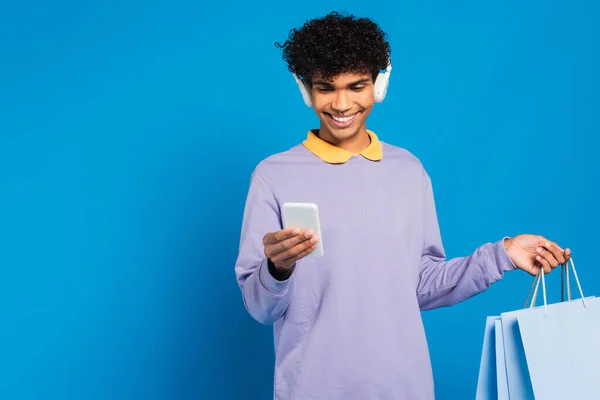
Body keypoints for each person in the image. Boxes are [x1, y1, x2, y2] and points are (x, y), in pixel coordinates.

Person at [233, 11, 571, 400]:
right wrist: (277, 268)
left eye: (356, 86)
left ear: (378, 85)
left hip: (405, 388)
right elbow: (260, 309)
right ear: (306, 90)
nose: (341, 104)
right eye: (326, 88)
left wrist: (503, 254)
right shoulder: (273, 175)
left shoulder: (408, 171)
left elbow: (422, 284)